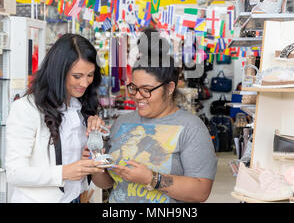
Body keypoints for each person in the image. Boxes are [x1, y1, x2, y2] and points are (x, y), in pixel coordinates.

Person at [89, 28, 218, 203]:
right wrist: (96, 164)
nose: (137, 96)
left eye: (147, 90)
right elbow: (107, 183)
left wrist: (151, 178)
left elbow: (201, 191)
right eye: (134, 88)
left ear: (169, 88)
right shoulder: (123, 122)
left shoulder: (192, 128)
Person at [5, 33, 105, 203]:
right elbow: (15, 172)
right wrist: (64, 172)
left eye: (90, 75)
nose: (85, 83)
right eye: (77, 76)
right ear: (58, 72)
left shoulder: (81, 108)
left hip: (76, 198)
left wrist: (94, 144)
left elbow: (79, 159)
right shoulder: (27, 108)